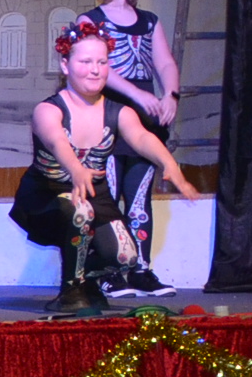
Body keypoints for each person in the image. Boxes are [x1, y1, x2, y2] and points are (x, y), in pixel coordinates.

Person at [11, 19, 199, 316]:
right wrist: (76, 170)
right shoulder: (48, 110)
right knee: (79, 210)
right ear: (65, 65)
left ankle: (85, 281)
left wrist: (169, 164)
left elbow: (141, 138)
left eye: (102, 62)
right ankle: (70, 291)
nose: (95, 70)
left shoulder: (118, 111)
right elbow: (57, 141)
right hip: (48, 196)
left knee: (125, 257)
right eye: (85, 62)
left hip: (94, 196)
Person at [81, 0, 184, 296]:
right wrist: (138, 95)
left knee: (139, 201)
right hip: (107, 120)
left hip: (144, 123)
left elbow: (164, 62)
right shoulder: (90, 22)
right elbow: (101, 69)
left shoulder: (149, 21)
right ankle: (107, 270)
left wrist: (170, 95)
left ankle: (141, 269)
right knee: (106, 199)